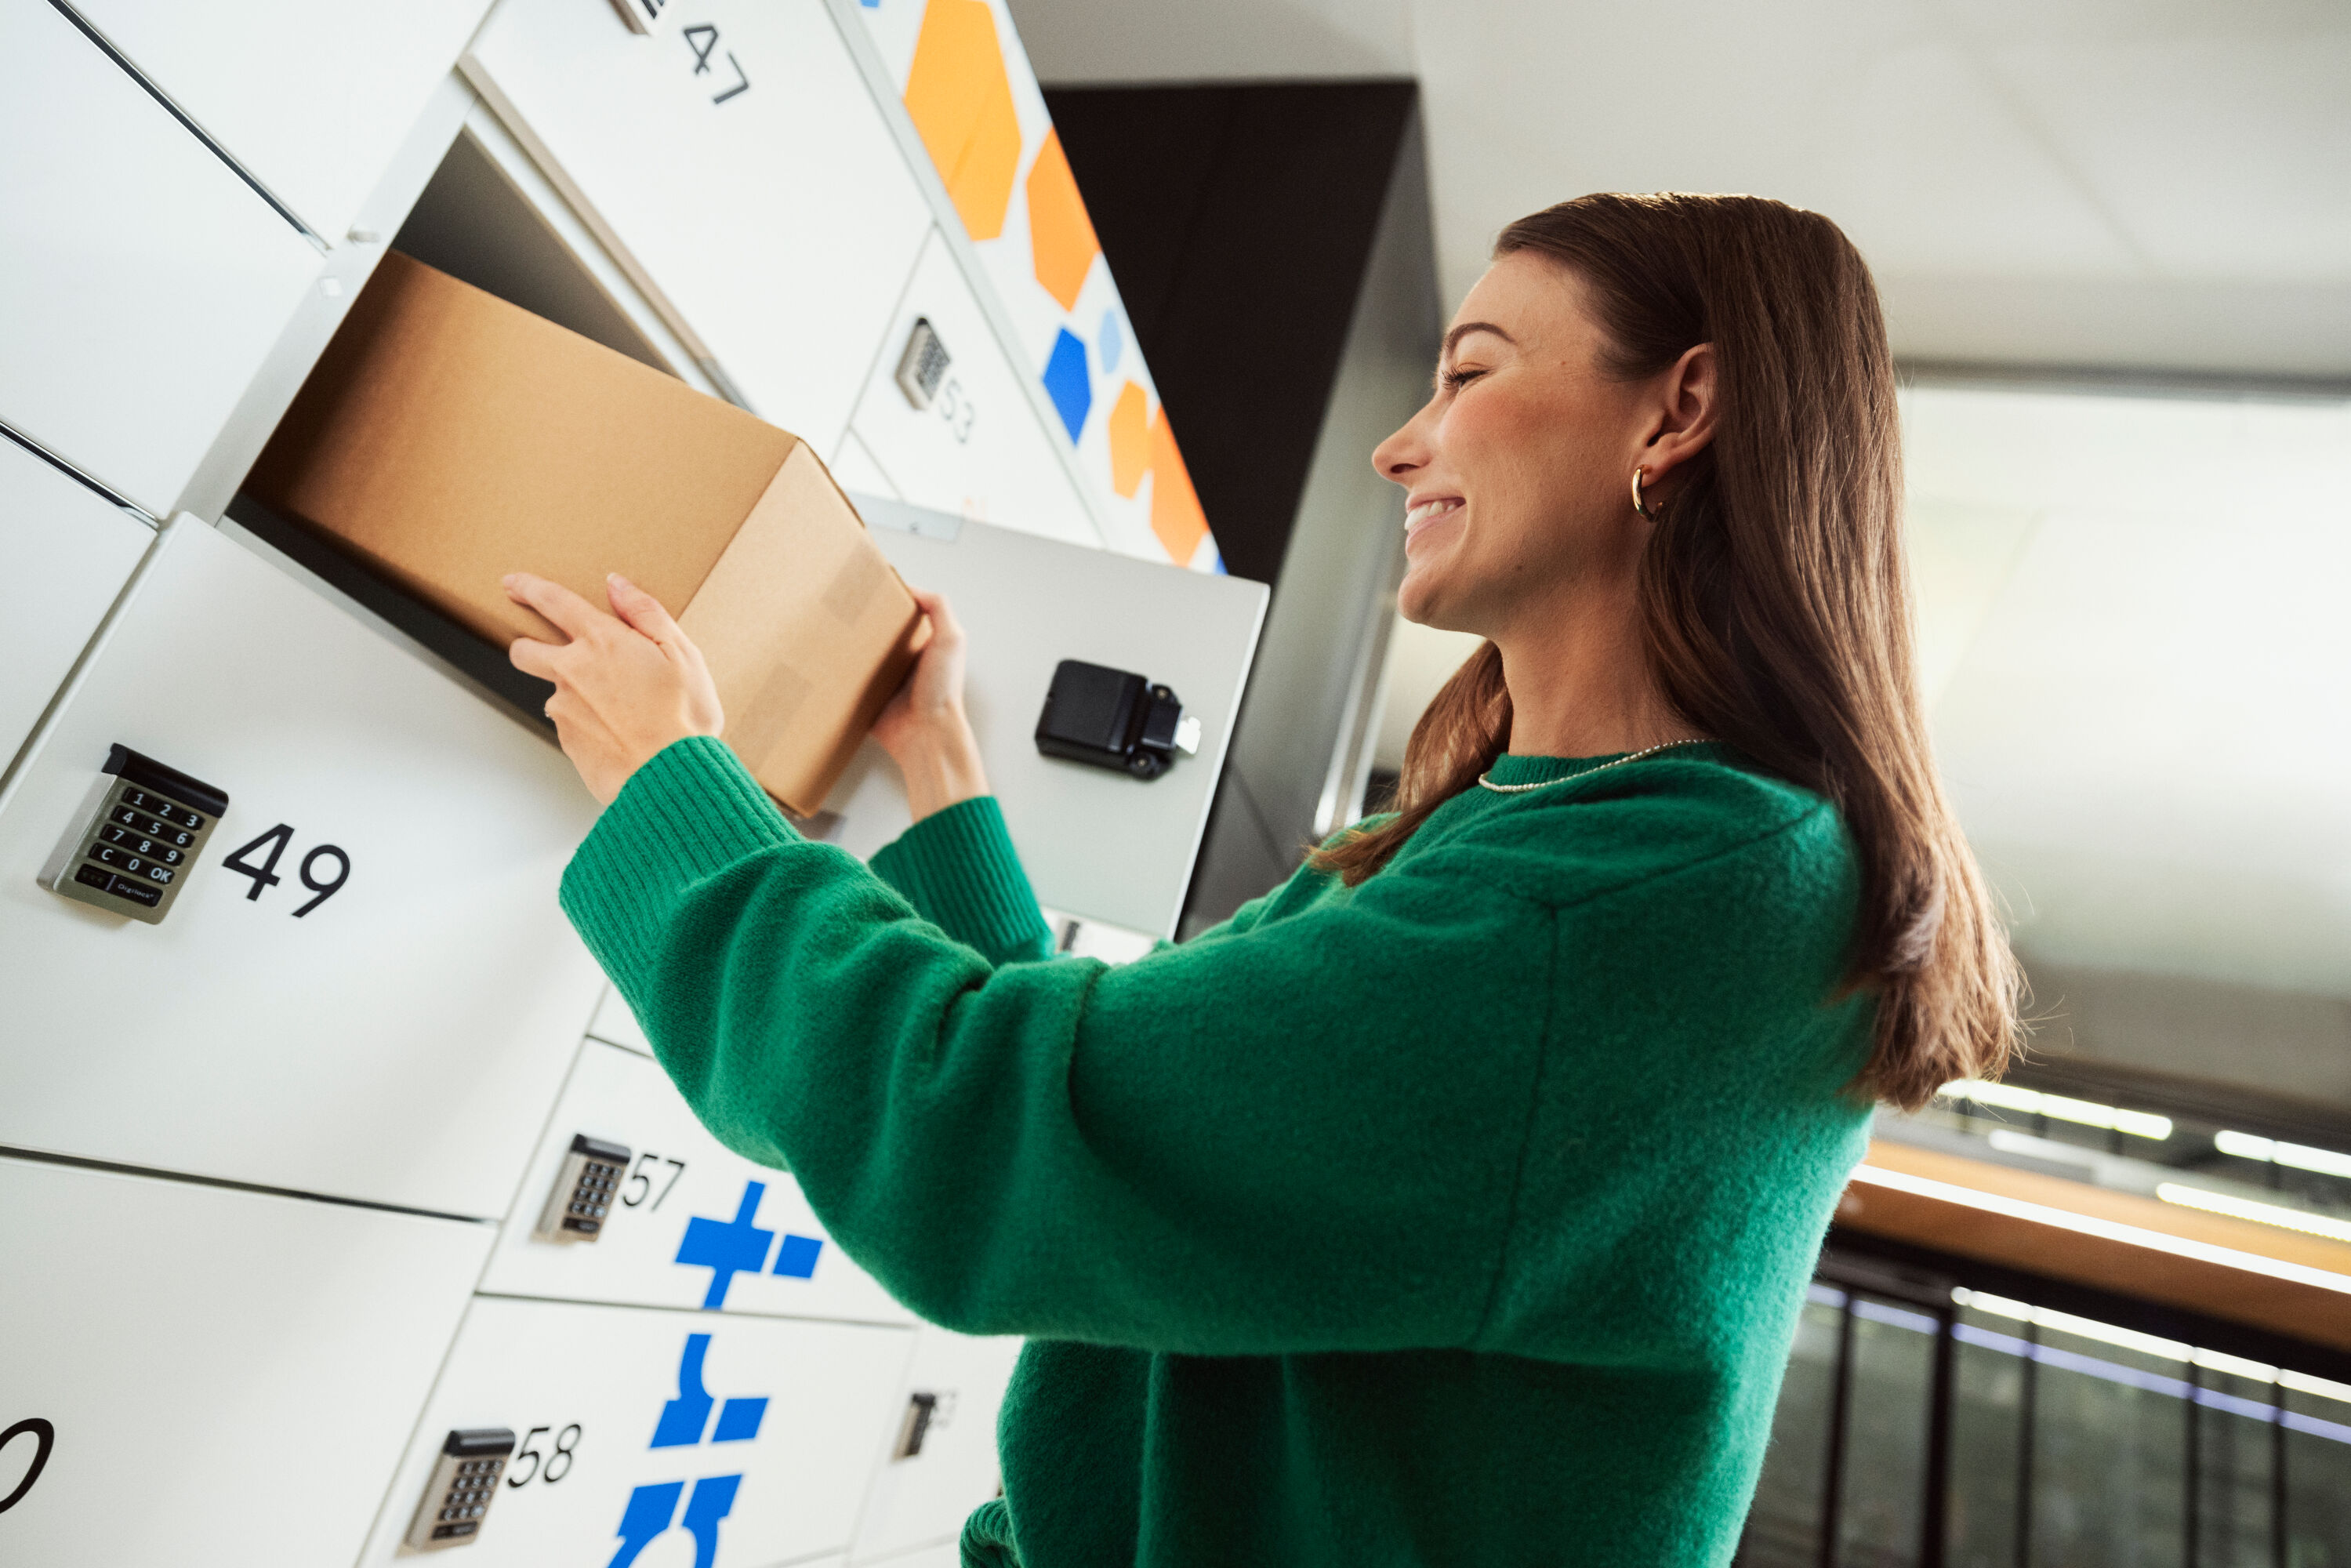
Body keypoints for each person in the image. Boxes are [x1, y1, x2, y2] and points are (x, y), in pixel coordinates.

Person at [504, 191, 2019, 1567]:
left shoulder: (1631, 902)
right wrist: (942, 772)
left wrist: (675, 797)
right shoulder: (1561, 839)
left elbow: (1002, 1141)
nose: (1398, 441)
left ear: (1679, 407)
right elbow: (1144, 1131)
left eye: (1472, 370)